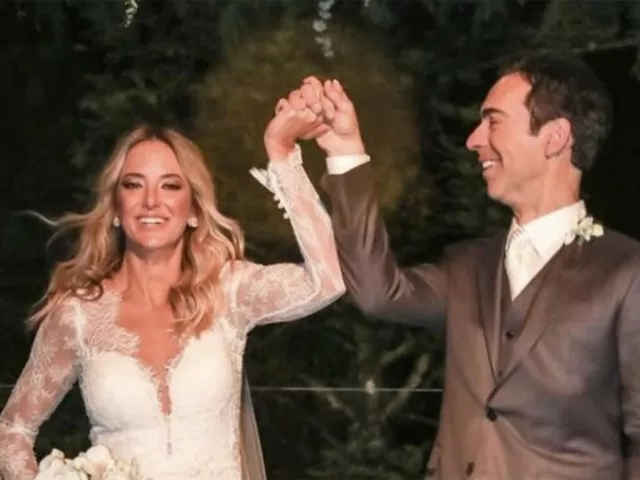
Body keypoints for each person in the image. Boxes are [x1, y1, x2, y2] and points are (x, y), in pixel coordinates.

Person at [286, 54, 640, 479]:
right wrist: (344, 150)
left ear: (554, 137)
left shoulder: (626, 271)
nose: (473, 140)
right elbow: (378, 293)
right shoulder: (468, 266)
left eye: (493, 122)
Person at [0, 99, 345, 479]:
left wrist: (281, 154)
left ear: (194, 210)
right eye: (134, 185)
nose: (151, 201)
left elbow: (327, 280)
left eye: (170, 186)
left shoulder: (228, 290)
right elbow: (11, 430)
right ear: (115, 207)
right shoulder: (78, 316)